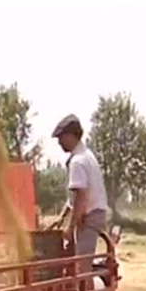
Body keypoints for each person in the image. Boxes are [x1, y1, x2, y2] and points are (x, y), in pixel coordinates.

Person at [50, 114, 108, 275]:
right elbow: (73, 199)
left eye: (61, 138)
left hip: (89, 218)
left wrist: (70, 227)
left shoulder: (78, 161)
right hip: (91, 215)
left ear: (71, 135)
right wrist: (61, 218)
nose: (59, 142)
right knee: (73, 264)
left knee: (82, 269)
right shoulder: (86, 155)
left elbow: (81, 197)